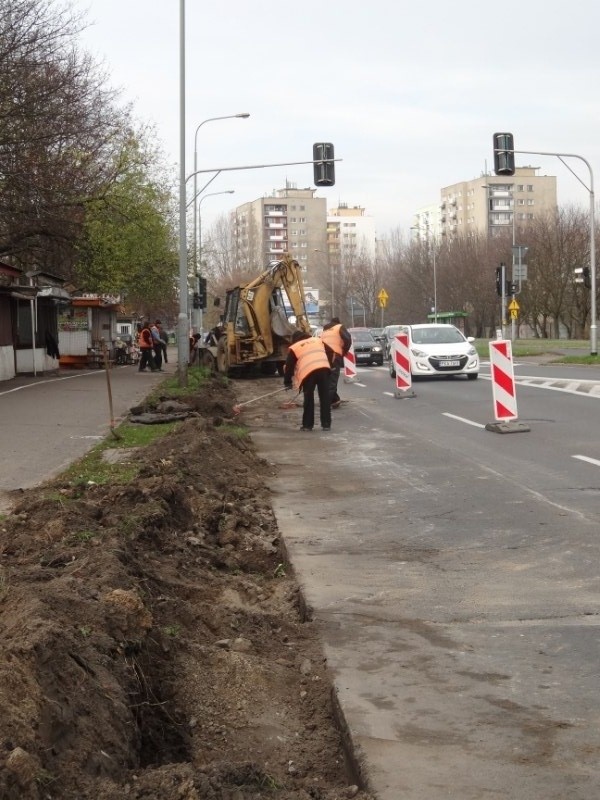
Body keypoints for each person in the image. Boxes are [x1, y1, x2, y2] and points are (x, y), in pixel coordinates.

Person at [283, 330, 332, 432]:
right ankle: (326, 424)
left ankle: (307, 425)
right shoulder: (317, 340)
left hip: (308, 373)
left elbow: (289, 366)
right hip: (323, 369)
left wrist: (287, 382)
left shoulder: (296, 347)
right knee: (325, 397)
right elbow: (330, 351)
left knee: (309, 398)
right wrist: (329, 364)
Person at [320, 317, 352, 409]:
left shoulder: (325, 329)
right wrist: (344, 351)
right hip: (334, 355)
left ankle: (335, 400)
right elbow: (347, 339)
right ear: (338, 323)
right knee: (333, 379)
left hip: (323, 355)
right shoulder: (339, 327)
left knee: (328, 378)